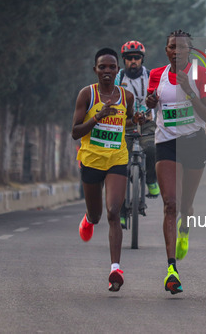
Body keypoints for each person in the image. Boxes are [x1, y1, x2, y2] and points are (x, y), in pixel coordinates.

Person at [146, 29, 206, 294]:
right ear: (166, 51)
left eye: (182, 47)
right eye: (172, 47)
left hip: (194, 141)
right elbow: (151, 103)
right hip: (166, 142)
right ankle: (171, 269)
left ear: (190, 51)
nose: (177, 51)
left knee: (186, 205)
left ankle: (185, 227)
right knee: (170, 204)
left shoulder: (201, 75)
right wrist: (150, 102)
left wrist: (189, 90)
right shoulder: (156, 75)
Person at [71, 47, 144, 292]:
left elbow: (131, 118)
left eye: (112, 67)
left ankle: (115, 268)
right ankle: (89, 219)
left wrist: (138, 120)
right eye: (102, 67)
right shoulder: (87, 95)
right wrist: (98, 117)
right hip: (91, 160)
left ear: (117, 70)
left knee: (114, 212)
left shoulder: (126, 97)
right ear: (95, 70)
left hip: (116, 159)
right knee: (97, 215)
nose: (107, 71)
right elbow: (75, 132)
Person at [115, 40, 160, 229]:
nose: (133, 62)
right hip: (125, 123)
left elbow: (159, 97)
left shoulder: (151, 76)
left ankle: (150, 178)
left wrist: (152, 111)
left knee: (151, 148)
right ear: (124, 60)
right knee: (119, 166)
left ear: (142, 59)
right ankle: (121, 213)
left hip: (147, 123)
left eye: (137, 58)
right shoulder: (119, 77)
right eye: (129, 58)